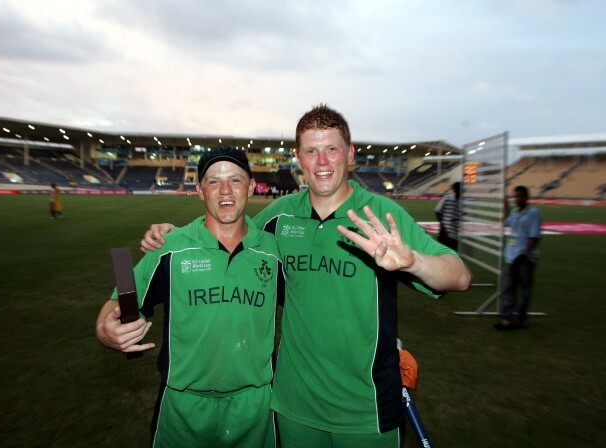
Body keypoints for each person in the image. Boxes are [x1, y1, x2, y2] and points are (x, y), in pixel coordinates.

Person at [141, 105, 471, 447]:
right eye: (312, 151)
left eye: (332, 149)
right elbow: (230, 234)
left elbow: (459, 276)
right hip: (292, 408)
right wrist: (175, 234)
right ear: (299, 157)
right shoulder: (279, 217)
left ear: (350, 153)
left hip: (366, 409)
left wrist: (413, 261)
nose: (322, 162)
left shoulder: (381, 213)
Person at [96, 147, 283, 447]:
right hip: (183, 409)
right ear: (199, 190)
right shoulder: (168, 248)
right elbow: (118, 303)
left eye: (235, 180)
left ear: (250, 187)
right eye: (213, 181)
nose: (225, 190)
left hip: (256, 407)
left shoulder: (274, 251)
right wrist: (107, 331)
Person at [494, 185, 542, 330]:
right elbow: (506, 222)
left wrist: (527, 252)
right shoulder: (515, 212)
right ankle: (507, 317)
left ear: (527, 197)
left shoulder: (533, 213)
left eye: (520, 196)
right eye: (516, 196)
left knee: (525, 289)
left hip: (524, 258)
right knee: (509, 288)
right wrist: (504, 203)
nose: (518, 199)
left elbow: (535, 236)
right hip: (511, 256)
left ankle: (520, 316)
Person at [434, 181, 461, 250]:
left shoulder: (463, 202)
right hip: (445, 229)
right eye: (457, 189)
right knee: (443, 248)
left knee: (454, 250)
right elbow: (437, 211)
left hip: (456, 230)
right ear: (454, 189)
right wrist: (442, 223)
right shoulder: (447, 199)